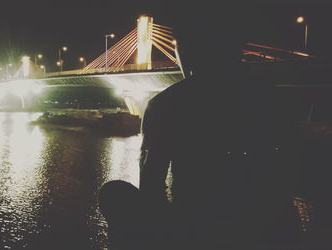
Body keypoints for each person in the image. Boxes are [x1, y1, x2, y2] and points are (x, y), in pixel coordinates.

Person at [100, 2, 303, 250]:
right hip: (268, 225)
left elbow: (152, 184)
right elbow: (291, 167)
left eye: (179, 48)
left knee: (113, 193)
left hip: (197, 227)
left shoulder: (166, 105)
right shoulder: (269, 97)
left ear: (188, 51)